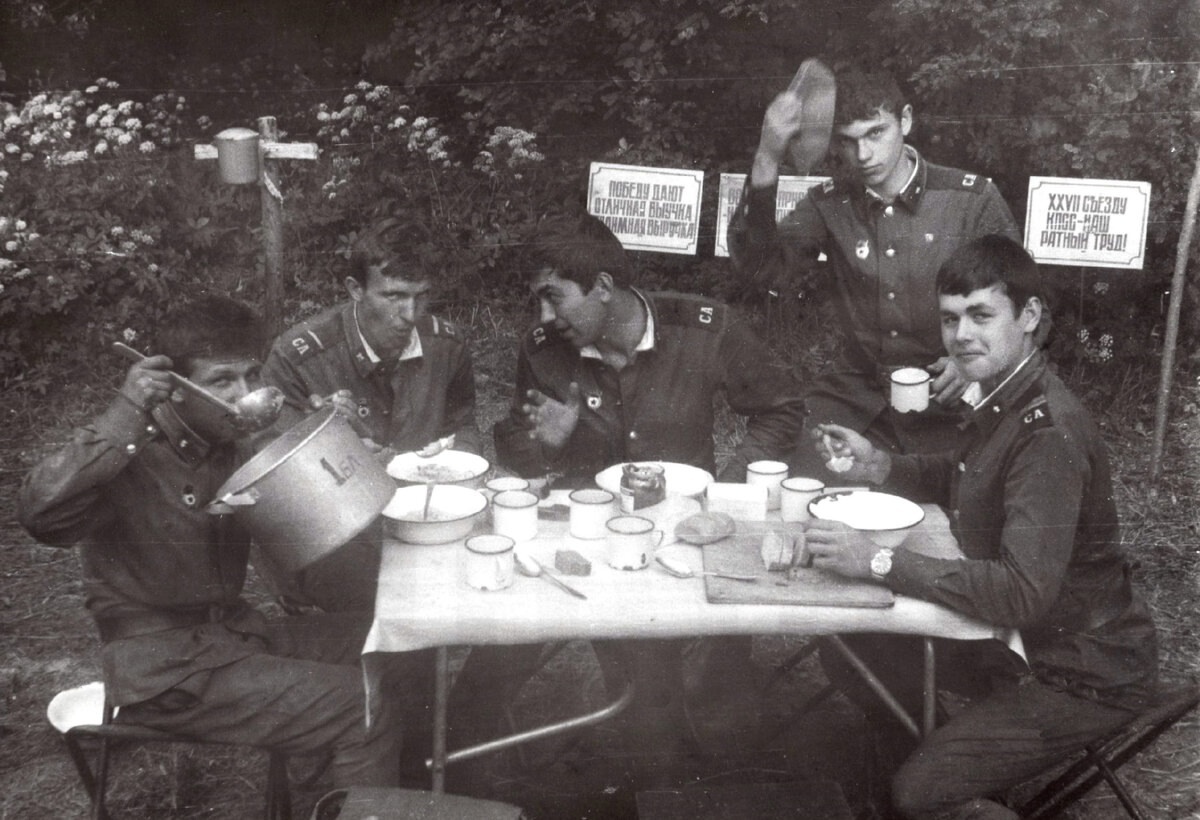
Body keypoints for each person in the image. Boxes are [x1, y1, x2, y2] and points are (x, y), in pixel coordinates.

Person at [805, 235, 1158, 820]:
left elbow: (1021, 593)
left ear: (1029, 315)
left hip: (1083, 670)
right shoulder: (1004, 393)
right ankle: (952, 773)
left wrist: (878, 560)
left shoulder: (1046, 433)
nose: (961, 335)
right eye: (949, 319)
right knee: (853, 648)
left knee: (919, 794)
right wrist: (881, 466)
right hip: (1026, 641)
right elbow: (966, 476)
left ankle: (937, 788)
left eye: (980, 315)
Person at [449, 212, 805, 787]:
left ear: (603, 286)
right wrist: (548, 445)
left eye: (554, 297)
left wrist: (725, 492)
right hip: (581, 541)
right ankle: (443, 772)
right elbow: (518, 446)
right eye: (538, 301)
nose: (544, 317)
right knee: (497, 647)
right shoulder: (543, 349)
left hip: (683, 545)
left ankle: (668, 764)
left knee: (670, 721)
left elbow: (781, 409)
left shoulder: (705, 328)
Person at [18, 295, 402, 788]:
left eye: (252, 375)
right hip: (166, 671)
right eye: (222, 381)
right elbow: (40, 515)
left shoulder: (225, 440)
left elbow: (307, 517)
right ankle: (365, 795)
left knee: (393, 637)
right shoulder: (130, 454)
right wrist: (125, 412)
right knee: (361, 703)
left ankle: (356, 780)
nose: (244, 394)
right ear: (175, 390)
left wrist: (332, 437)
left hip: (233, 636)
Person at [728, 67, 1021, 479]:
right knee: (797, 489)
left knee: (961, 493)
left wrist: (970, 360)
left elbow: (1026, 305)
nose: (863, 155)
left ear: (905, 120)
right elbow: (761, 270)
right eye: (848, 141)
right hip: (858, 396)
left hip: (953, 395)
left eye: (876, 133)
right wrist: (767, 157)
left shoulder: (969, 200)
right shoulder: (829, 203)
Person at [260, 221, 482, 612]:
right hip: (336, 541)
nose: (409, 314)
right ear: (355, 289)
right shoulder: (298, 357)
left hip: (426, 522)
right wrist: (323, 440)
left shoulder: (447, 345)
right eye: (394, 296)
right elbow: (270, 479)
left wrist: (456, 479)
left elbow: (462, 428)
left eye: (421, 296)